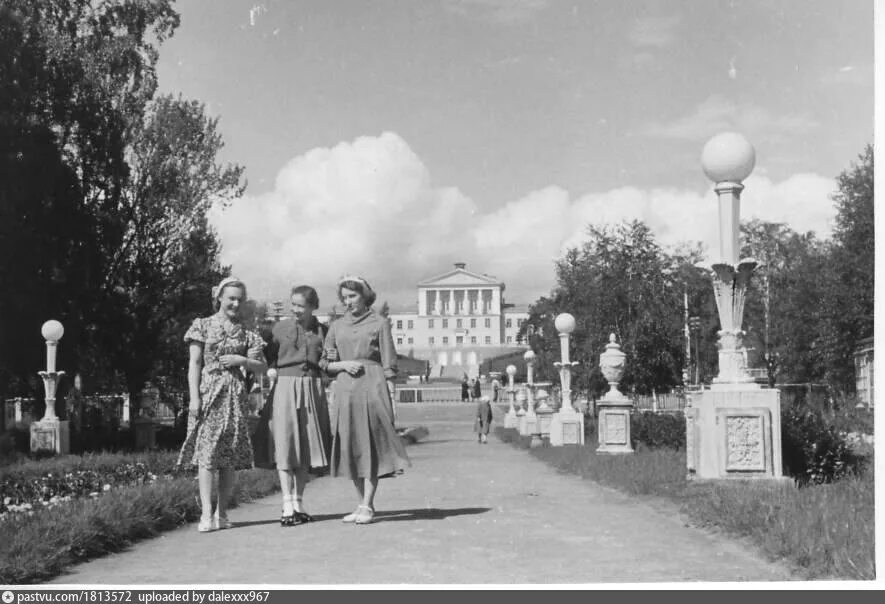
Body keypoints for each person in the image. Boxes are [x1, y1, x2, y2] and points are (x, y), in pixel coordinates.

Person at [177, 277, 267, 533]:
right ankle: (206, 513)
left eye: (240, 299)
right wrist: (194, 398)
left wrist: (242, 360)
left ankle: (223, 512)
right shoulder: (202, 325)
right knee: (207, 455)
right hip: (209, 394)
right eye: (231, 298)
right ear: (219, 297)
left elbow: (262, 367)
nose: (235, 303)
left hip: (235, 397)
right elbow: (194, 364)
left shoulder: (249, 332)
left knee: (228, 458)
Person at [322, 276, 410, 525]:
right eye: (345, 297)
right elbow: (325, 362)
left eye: (353, 296)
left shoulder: (380, 323)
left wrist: (390, 398)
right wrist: (342, 364)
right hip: (345, 389)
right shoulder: (336, 326)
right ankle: (361, 503)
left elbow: (389, 363)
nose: (348, 302)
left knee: (370, 443)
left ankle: (367, 504)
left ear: (365, 295)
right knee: (351, 444)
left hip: (372, 385)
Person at [266, 285, 331, 527]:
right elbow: (268, 355)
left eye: (300, 306)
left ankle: (299, 503)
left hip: (311, 389)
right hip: (285, 387)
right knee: (285, 443)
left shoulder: (322, 330)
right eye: (292, 304)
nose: (295, 310)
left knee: (305, 445)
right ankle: (286, 504)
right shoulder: (280, 328)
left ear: (313, 307)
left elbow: (327, 360)